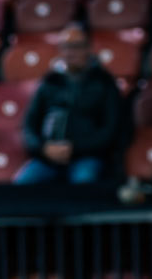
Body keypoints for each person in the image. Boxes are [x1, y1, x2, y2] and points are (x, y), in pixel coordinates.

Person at [17, 26, 125, 185]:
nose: (70, 52)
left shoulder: (104, 83)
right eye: (66, 47)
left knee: (83, 181)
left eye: (76, 46)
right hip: (48, 157)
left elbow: (110, 130)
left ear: (88, 48)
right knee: (23, 183)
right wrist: (43, 149)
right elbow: (29, 125)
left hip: (87, 156)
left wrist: (74, 149)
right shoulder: (50, 82)